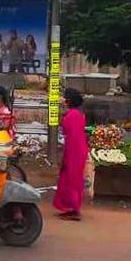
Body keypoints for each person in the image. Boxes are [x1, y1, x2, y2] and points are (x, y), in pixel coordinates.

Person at [53, 88, 88, 221]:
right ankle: (71, 207)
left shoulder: (72, 115)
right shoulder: (76, 114)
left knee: (71, 179)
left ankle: (73, 209)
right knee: (71, 178)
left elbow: (73, 137)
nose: (62, 99)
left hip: (74, 150)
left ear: (69, 100)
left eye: (64, 97)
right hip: (77, 148)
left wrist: (67, 156)